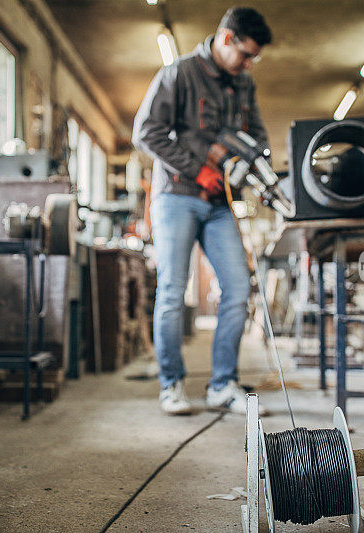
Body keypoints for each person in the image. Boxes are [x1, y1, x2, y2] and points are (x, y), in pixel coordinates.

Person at [133, 6, 272, 415]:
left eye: (253, 59)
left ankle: (223, 385)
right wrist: (199, 167)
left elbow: (258, 136)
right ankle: (171, 385)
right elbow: (146, 132)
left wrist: (240, 163)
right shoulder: (178, 73)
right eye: (246, 54)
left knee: (238, 287)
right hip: (175, 195)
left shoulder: (243, 84)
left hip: (219, 202)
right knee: (174, 291)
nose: (248, 64)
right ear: (226, 38)